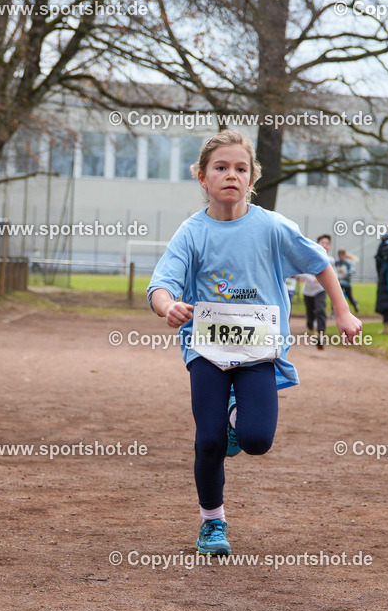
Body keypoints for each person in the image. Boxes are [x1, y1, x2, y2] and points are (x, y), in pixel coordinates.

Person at [146, 130, 362, 556]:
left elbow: (320, 265)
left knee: (257, 440)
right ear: (202, 178)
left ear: (252, 179)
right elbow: (161, 284)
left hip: (259, 351)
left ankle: (233, 423)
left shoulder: (272, 227)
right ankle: (213, 523)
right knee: (207, 441)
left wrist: (342, 311)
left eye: (240, 168)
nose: (231, 175)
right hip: (206, 350)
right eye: (221, 168)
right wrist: (167, 306)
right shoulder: (191, 233)